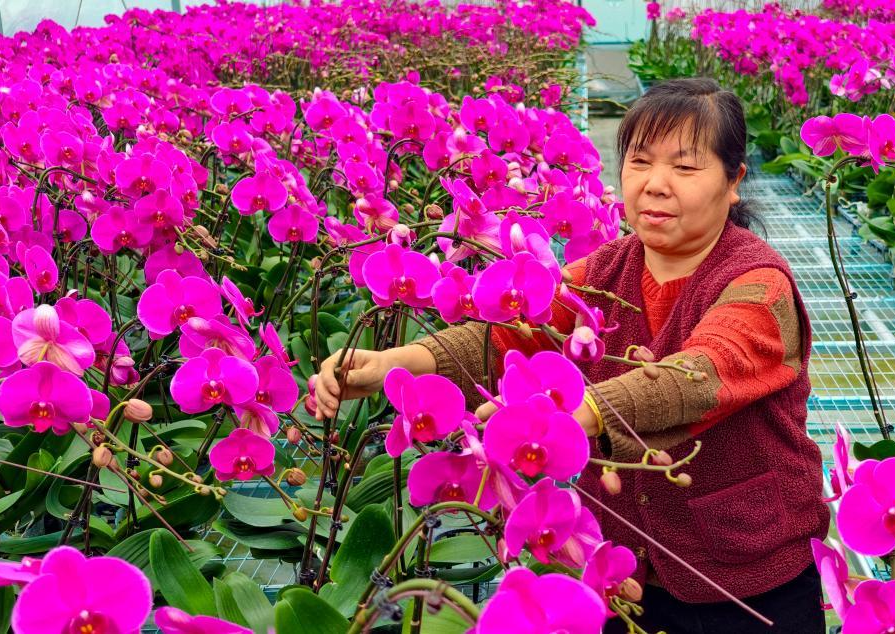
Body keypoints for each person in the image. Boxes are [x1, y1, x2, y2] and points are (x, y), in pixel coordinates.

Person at [312, 77, 828, 633]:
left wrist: (572, 416)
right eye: (639, 162)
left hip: (749, 578)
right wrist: (401, 363)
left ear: (734, 182)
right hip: (623, 572)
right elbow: (510, 335)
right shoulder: (603, 274)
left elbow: (697, 377)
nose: (655, 185)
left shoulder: (759, 285)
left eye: (685, 167)